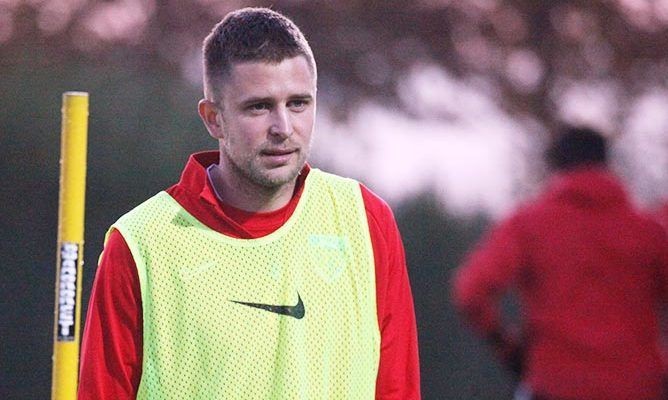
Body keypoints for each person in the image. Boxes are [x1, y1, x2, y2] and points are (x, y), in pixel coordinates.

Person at [78, 7, 420, 399]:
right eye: (259, 106)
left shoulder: (365, 220)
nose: (283, 128)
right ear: (213, 119)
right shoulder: (141, 244)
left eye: (298, 103)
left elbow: (398, 390)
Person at [452, 126, 668, 400]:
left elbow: (471, 292)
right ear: (606, 165)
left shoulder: (528, 226)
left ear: (556, 167)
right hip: (636, 386)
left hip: (554, 383)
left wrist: (507, 348)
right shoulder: (648, 232)